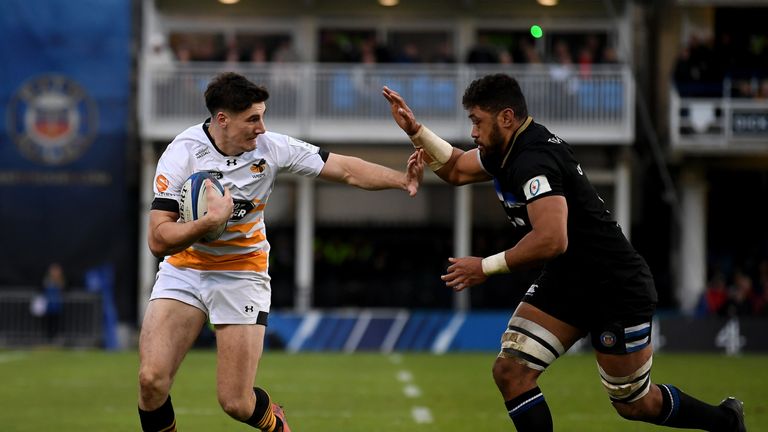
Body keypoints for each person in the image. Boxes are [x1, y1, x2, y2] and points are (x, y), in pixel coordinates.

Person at [382, 73, 746, 432]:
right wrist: (415, 130)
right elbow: (457, 169)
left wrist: (485, 266)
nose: (473, 132)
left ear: (506, 118)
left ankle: (725, 422)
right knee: (510, 373)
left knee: (634, 403)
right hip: (568, 281)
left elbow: (553, 239)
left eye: (477, 121)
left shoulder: (533, 160)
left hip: (614, 287)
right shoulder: (505, 149)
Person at [138, 71, 424, 432]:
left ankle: (276, 422)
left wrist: (402, 179)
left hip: (242, 271)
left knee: (236, 403)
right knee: (151, 381)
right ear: (222, 119)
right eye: (253, 119)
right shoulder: (181, 154)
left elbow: (345, 169)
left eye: (263, 116)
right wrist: (206, 224)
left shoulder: (271, 148)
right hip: (186, 267)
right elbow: (158, 239)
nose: (262, 127)